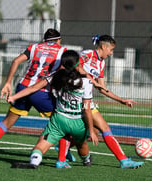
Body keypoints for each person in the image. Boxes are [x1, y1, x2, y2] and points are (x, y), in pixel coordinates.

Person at [0, 28, 67, 162]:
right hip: (40, 92)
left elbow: (15, 61)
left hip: (22, 87)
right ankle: (61, 160)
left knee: (6, 123)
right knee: (62, 122)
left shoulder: (34, 47)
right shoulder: (62, 51)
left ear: (44, 40)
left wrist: (8, 83)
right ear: (59, 40)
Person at [59, 35, 144, 169]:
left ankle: (63, 152)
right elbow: (74, 66)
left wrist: (121, 100)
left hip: (87, 100)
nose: (111, 53)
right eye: (111, 50)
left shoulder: (101, 63)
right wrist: (91, 80)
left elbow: (102, 88)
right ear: (103, 46)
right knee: (90, 130)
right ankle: (123, 161)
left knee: (95, 131)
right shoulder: (87, 54)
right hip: (75, 99)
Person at [7, 50, 98, 168]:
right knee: (81, 144)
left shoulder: (56, 77)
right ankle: (86, 159)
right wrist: (91, 130)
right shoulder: (86, 82)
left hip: (59, 120)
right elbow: (86, 109)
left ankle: (34, 162)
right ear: (78, 64)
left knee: (41, 144)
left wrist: (14, 97)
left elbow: (33, 88)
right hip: (77, 122)